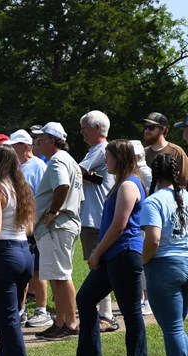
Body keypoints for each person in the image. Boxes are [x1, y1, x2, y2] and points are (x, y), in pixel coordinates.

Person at [76, 139, 148, 356]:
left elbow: (119, 225)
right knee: (86, 299)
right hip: (113, 255)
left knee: (131, 311)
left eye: (108, 157)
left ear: (120, 158)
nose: (105, 161)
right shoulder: (123, 183)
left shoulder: (128, 185)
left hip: (124, 254)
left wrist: (97, 253)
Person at [32, 122, 84, 341]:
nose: (38, 142)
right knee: (57, 275)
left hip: (57, 226)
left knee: (61, 276)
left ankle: (70, 324)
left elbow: (62, 186)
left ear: (52, 141)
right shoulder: (68, 160)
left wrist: (53, 211)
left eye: (41, 139)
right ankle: (61, 321)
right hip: (63, 225)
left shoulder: (57, 160)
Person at [0, 145, 35, 356]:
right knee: (12, 316)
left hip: (3, 254)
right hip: (25, 253)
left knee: (7, 320)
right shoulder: (22, 188)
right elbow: (30, 228)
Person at [141, 153, 188, 356]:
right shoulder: (186, 197)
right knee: (178, 326)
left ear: (154, 174)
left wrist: (143, 260)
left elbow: (153, 240)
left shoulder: (153, 201)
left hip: (164, 267)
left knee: (173, 328)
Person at [5, 129, 52, 328]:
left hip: (36, 225)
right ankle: (21, 310)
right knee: (23, 271)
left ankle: (41, 309)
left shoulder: (39, 166)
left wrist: (36, 222)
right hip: (19, 226)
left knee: (37, 271)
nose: (10, 150)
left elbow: (44, 196)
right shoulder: (14, 167)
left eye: (13, 146)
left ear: (25, 147)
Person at [78, 110, 119, 332]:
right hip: (97, 216)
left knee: (98, 266)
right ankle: (106, 314)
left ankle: (107, 316)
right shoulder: (101, 150)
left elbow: (77, 171)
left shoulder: (100, 149)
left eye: (84, 127)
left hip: (96, 218)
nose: (81, 132)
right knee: (98, 266)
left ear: (96, 129)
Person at [131, 139, 154, 316]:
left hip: (144, 221)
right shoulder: (136, 172)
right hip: (140, 220)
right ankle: (141, 297)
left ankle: (146, 299)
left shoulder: (144, 172)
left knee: (143, 261)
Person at [142, 112, 188, 186]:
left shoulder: (177, 152)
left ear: (163, 129)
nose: (147, 131)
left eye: (151, 128)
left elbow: (184, 183)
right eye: (145, 127)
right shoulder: (143, 153)